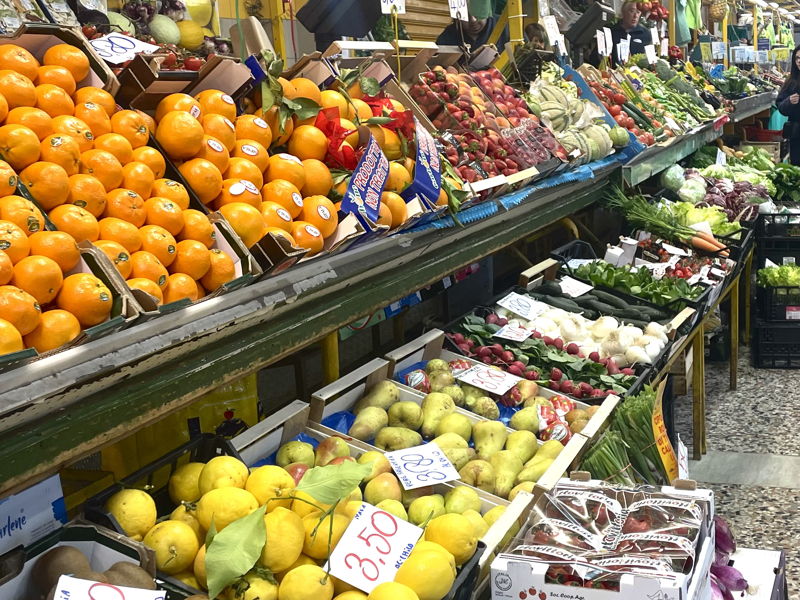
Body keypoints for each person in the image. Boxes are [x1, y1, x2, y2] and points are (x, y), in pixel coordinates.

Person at [437, 0, 509, 51]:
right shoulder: (447, 37)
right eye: (466, 16)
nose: (473, 20)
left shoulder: (505, 27)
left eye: (478, 13)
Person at [777, 45, 800, 165]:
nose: (799, 61)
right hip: (797, 135)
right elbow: (781, 106)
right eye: (797, 58)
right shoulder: (791, 82)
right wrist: (789, 102)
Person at [610, 0, 650, 64]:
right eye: (632, 11)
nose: (635, 16)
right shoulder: (611, 32)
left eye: (638, 12)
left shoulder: (645, 34)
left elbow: (651, 60)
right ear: (623, 12)